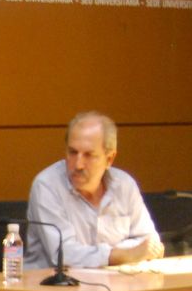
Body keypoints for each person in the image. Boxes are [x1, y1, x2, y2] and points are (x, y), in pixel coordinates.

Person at [25, 111, 164, 270]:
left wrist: (133, 252)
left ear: (109, 159)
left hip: (116, 281)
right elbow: (64, 254)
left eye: (88, 155)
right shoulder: (47, 186)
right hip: (52, 283)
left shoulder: (124, 185)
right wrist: (123, 255)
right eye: (73, 152)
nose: (78, 165)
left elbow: (148, 241)